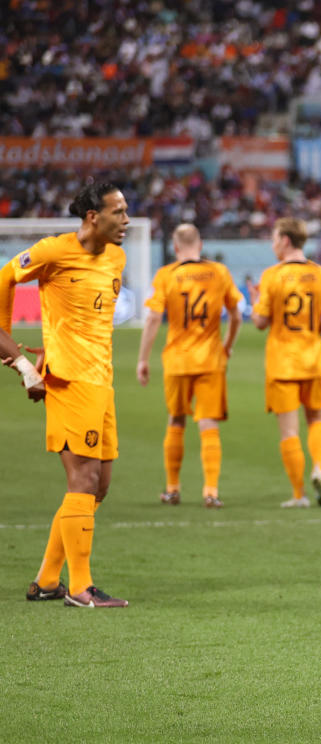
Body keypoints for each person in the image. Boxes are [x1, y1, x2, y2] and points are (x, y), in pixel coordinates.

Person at [7, 181, 131, 606]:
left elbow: (83, 319)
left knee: (98, 488)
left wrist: (54, 340)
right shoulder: (53, 251)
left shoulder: (116, 258)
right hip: (68, 382)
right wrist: (12, 351)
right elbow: (5, 277)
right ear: (93, 217)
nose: (127, 220)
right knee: (82, 479)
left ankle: (46, 580)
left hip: (103, 381)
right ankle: (80, 588)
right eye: (119, 212)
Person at [136, 224, 243, 508]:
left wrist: (143, 359)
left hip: (177, 360)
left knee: (176, 420)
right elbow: (236, 315)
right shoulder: (219, 272)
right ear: (201, 243)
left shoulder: (166, 275)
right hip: (210, 360)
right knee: (209, 424)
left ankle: (173, 489)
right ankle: (211, 491)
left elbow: (153, 318)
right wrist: (228, 345)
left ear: (175, 246)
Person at [251, 217, 321, 508]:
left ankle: (299, 493)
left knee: (289, 432)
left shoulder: (272, 276)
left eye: (275, 238)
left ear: (286, 240)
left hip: (282, 363)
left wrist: (255, 303)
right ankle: (319, 468)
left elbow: (261, 322)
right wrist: (311, 327)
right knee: (317, 419)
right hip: (314, 360)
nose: (273, 244)